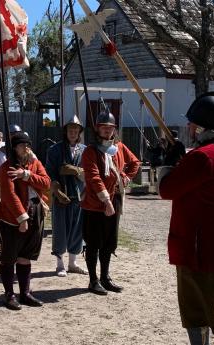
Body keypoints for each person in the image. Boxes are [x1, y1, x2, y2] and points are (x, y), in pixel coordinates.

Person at [158, 92, 214, 345]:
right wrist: (182, 160)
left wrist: (170, 162)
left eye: (192, 123)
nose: (189, 127)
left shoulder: (203, 156)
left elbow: (167, 189)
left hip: (201, 245)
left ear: (202, 126)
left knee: (196, 308)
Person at [81, 111, 140, 295]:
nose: (107, 131)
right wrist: (106, 201)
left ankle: (105, 278)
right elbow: (94, 178)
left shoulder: (119, 147)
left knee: (109, 242)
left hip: (115, 199)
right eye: (104, 127)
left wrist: (125, 177)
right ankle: (93, 280)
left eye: (110, 127)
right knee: (93, 242)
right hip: (95, 202)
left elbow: (135, 163)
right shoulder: (90, 151)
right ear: (98, 129)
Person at [0, 132, 51, 310]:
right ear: (14, 148)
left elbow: (46, 183)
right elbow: (9, 195)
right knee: (9, 258)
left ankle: (25, 293)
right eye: (22, 145)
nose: (26, 148)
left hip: (35, 212)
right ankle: (9, 294)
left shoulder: (34, 163)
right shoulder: (6, 168)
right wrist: (22, 218)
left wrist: (26, 175)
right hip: (13, 218)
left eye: (28, 145)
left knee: (26, 256)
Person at [45, 116, 87, 277]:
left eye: (76, 130)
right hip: (61, 195)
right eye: (70, 130)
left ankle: (73, 263)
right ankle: (60, 264)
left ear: (79, 132)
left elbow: (89, 172)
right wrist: (56, 190)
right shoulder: (54, 150)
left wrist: (77, 171)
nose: (73, 133)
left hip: (79, 195)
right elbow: (50, 172)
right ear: (65, 131)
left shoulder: (85, 150)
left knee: (77, 229)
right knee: (60, 229)